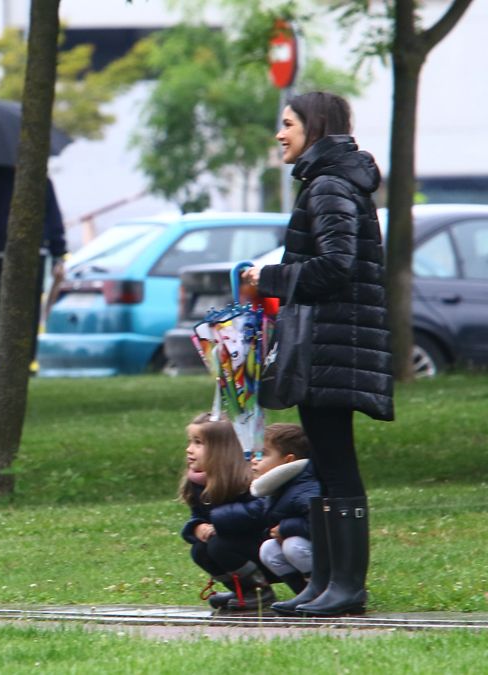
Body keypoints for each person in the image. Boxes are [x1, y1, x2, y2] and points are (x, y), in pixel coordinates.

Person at [241, 91, 393, 617]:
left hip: (331, 345)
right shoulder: (328, 181)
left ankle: (345, 587)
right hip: (328, 345)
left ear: (315, 126)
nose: (280, 134)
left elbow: (335, 267)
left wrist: (271, 277)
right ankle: (326, 583)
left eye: (287, 124)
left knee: (337, 466)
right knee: (328, 466)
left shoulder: (328, 185)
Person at [0, 165, 67, 359]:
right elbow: (54, 221)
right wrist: (58, 255)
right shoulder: (40, 180)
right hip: (35, 255)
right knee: (28, 311)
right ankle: (23, 358)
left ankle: (2, 355)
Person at [178, 412, 276, 612]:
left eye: (198, 443)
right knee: (200, 550)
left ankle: (260, 591)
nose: (189, 450)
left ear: (221, 450)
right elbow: (198, 515)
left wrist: (218, 522)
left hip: (268, 549)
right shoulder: (199, 483)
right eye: (190, 442)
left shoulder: (247, 481)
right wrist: (197, 527)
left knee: (218, 546)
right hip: (235, 546)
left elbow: (259, 512)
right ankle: (243, 591)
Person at [248, 423, 321, 614]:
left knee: (293, 545)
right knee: (268, 550)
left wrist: (285, 528)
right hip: (304, 546)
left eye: (262, 454)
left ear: (288, 461)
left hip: (326, 555)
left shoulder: (306, 488)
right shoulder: (277, 488)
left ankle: (321, 590)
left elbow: (320, 526)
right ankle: (303, 592)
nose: (254, 460)